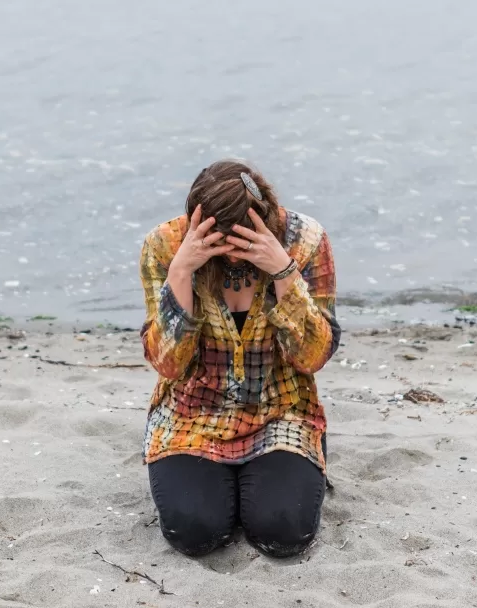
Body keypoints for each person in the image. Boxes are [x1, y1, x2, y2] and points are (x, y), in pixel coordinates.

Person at [138, 159, 340, 558]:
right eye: (221, 238)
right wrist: (180, 273)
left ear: (263, 216)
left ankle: (293, 468)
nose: (232, 255)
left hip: (282, 413)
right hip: (191, 416)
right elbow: (168, 365)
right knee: (195, 533)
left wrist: (283, 272)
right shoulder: (165, 245)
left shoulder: (306, 241)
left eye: (241, 236)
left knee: (283, 533)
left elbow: (313, 357)